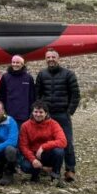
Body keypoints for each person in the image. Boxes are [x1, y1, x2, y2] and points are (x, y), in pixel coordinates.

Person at [35, 49, 80, 182]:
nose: (51, 59)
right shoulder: (42, 74)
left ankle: (70, 169)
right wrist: (40, 111)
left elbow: (75, 95)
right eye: (48, 57)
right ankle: (49, 167)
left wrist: (69, 111)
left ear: (58, 58)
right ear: (45, 59)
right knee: (46, 142)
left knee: (66, 142)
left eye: (53, 57)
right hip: (47, 115)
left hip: (62, 114)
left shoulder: (68, 74)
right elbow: (38, 94)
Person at [18, 101, 68, 185]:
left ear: (46, 113)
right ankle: (38, 173)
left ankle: (55, 176)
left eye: (41, 112)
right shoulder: (25, 126)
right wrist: (33, 159)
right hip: (33, 155)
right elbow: (23, 146)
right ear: (32, 112)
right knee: (25, 166)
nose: (38, 114)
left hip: (47, 154)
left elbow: (63, 141)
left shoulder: (53, 124)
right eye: (35, 112)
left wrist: (43, 147)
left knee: (59, 151)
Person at [0, 54, 36, 125]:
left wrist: (31, 112)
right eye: (13, 62)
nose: (15, 64)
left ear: (22, 64)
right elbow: (1, 95)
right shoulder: (5, 77)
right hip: (9, 114)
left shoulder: (28, 78)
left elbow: (32, 97)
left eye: (17, 62)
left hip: (24, 115)